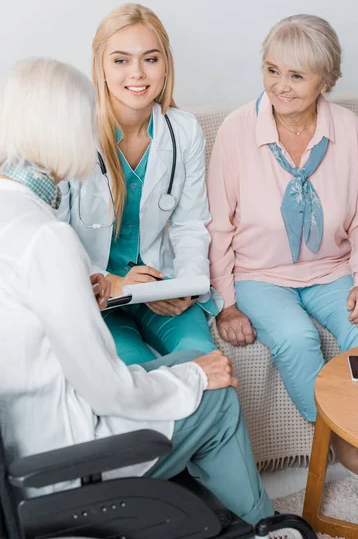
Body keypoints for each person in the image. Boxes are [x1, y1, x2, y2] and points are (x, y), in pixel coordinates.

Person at [0, 57, 300, 539]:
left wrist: (83, 292)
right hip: (64, 459)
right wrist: (193, 376)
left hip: (27, 442)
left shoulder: (13, 213)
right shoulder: (46, 238)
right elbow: (109, 390)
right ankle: (264, 527)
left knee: (193, 370)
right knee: (215, 392)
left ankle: (228, 519)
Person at [207, 14, 358, 521]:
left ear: (325, 80)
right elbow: (217, 227)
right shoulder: (236, 130)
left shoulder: (348, 130)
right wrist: (225, 303)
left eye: (296, 75)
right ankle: (343, 447)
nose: (280, 86)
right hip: (258, 274)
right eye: (272, 70)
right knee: (295, 339)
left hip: (331, 267)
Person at [58, 3, 221, 366]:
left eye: (150, 59)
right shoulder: (72, 134)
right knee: (135, 377)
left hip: (160, 286)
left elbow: (191, 225)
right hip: (98, 295)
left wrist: (186, 286)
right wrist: (112, 283)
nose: (137, 73)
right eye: (120, 60)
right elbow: (55, 237)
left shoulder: (185, 131)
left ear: (166, 66)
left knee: (206, 365)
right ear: (100, 66)